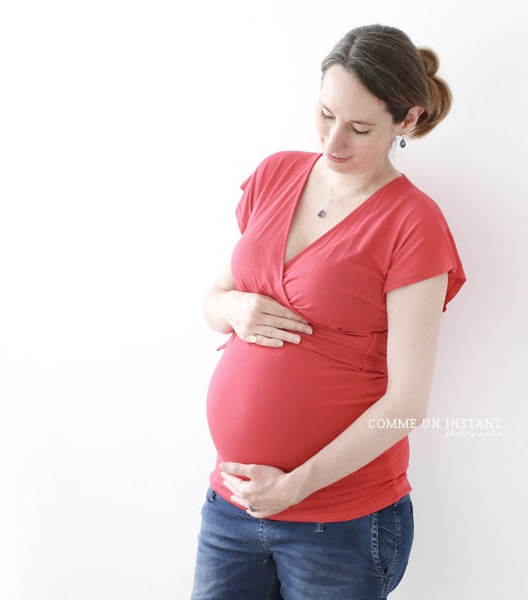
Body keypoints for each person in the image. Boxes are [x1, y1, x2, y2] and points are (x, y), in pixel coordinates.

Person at [191, 24, 466, 600]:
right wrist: (235, 306)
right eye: (324, 114)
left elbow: (407, 403)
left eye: (360, 128)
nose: (333, 142)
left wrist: (295, 487)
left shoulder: (413, 223)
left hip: (337, 524)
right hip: (232, 504)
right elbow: (213, 301)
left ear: (406, 121)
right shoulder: (274, 175)